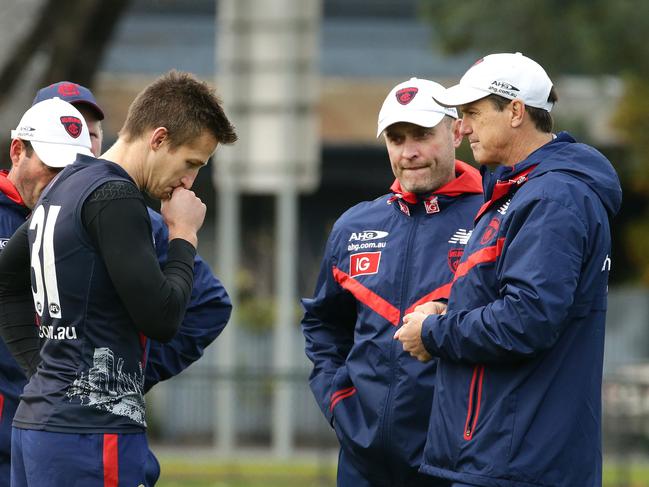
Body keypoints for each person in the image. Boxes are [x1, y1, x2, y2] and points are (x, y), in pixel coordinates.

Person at [0, 70, 237, 487]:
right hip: (91, 437)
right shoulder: (115, 195)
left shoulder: (64, 184)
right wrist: (184, 235)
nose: (188, 181)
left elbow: (6, 281)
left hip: (39, 426)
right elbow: (162, 318)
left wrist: (44, 373)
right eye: (191, 163)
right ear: (158, 139)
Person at [395, 53, 622, 487]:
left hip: (519, 462)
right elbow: (512, 301)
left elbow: (527, 319)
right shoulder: (524, 192)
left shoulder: (552, 198)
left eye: (473, 113)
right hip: (504, 456)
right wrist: (449, 309)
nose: (462, 128)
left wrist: (433, 334)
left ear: (516, 111)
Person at [302, 78, 483, 487]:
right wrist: (338, 401)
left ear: (456, 132)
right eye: (397, 138)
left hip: (456, 462)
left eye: (422, 135)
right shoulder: (354, 224)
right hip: (362, 462)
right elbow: (323, 324)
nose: (409, 152)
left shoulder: (494, 216)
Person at [0, 97, 94, 487]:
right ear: (17, 150)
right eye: (51, 165)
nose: (59, 179)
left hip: (54, 431)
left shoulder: (89, 220)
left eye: (70, 168)